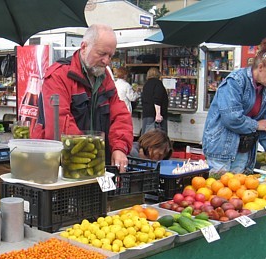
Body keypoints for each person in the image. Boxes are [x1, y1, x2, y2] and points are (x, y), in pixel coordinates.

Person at [31, 24, 133, 172]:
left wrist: (120, 147)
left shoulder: (104, 78)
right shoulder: (59, 76)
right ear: (84, 47)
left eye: (110, 55)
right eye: (102, 53)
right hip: (59, 165)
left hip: (92, 163)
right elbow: (60, 123)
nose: (106, 61)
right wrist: (91, 154)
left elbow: (120, 115)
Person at [203, 36, 266, 174]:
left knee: (237, 193)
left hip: (244, 152)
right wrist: (255, 125)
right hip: (221, 150)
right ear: (260, 67)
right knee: (218, 193)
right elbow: (231, 118)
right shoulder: (235, 81)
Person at [141, 67, 168, 134]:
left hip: (146, 113)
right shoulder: (158, 84)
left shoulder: (146, 84)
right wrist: (158, 114)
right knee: (159, 137)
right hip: (155, 115)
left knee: (147, 135)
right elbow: (157, 99)